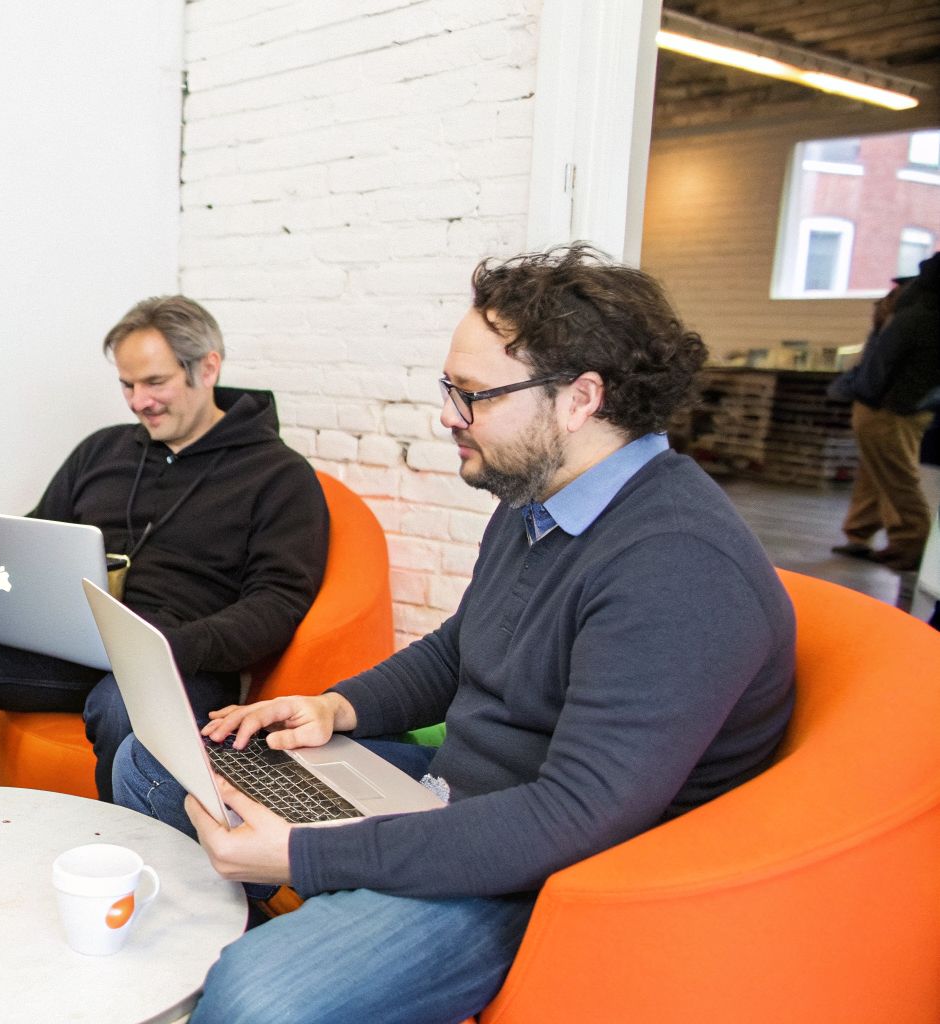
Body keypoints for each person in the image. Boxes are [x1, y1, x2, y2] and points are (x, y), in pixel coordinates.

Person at [114, 246, 796, 1024]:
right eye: (451, 389)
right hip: (448, 796)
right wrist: (335, 708)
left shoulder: (678, 566)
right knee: (158, 762)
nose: (447, 415)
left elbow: (570, 817)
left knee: (259, 999)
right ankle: (277, 933)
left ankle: (283, 952)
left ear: (580, 399)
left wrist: (306, 855)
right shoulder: (540, 495)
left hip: (531, 870)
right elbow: (461, 645)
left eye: (472, 394)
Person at [0, 296, 330, 799]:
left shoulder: (280, 476)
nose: (139, 402)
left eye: (154, 383)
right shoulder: (104, 450)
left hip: (180, 664)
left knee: (120, 702)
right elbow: (34, 540)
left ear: (207, 367)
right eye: (127, 384)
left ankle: (116, 864)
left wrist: (170, 648)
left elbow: (278, 602)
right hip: (79, 649)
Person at [832, 252, 940, 572]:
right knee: (875, 472)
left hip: (890, 407)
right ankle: (860, 532)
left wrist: (867, 394)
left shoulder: (917, 313)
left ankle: (911, 542)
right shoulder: (923, 312)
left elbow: (881, 361)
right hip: (901, 404)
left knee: (895, 476)